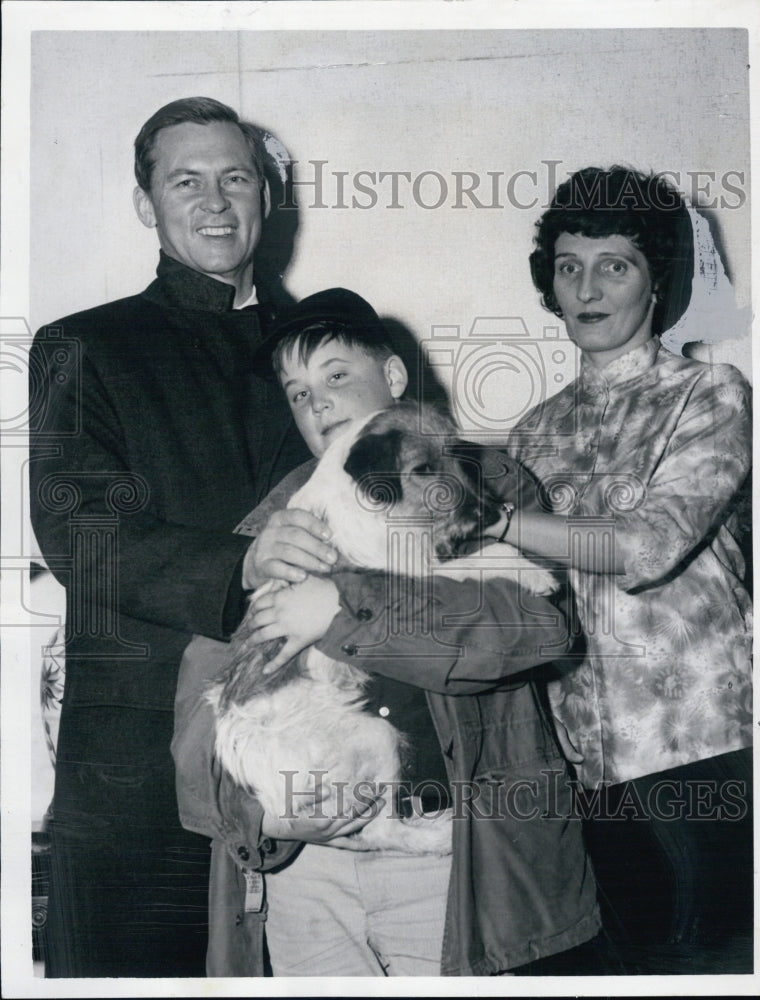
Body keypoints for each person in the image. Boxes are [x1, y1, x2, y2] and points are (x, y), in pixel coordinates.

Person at [172, 287, 604, 978]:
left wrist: (342, 608)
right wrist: (262, 819)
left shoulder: (477, 482)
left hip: (450, 860)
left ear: (394, 376)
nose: (318, 404)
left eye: (336, 375)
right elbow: (200, 710)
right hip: (306, 871)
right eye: (298, 393)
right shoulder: (275, 518)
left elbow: (532, 628)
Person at [28, 97, 310, 978]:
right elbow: (81, 528)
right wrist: (242, 563)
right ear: (146, 204)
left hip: (310, 749)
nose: (216, 202)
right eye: (186, 182)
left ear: (267, 197)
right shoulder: (84, 344)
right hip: (138, 766)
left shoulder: (325, 348)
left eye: (236, 178)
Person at [499, 166, 753, 970]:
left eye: (615, 265)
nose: (587, 288)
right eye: (568, 266)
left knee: (720, 964)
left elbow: (646, 547)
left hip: (703, 745)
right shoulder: (531, 432)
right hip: (586, 761)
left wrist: (494, 521)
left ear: (656, 280)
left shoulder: (710, 393)